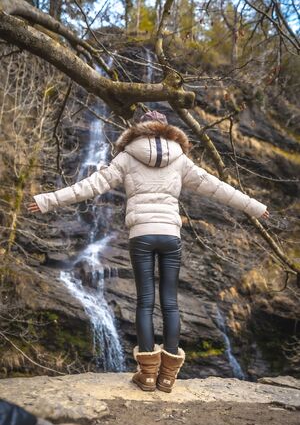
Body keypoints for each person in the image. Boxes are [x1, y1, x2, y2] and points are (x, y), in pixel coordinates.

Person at [28, 110, 269, 393]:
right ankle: (167, 377)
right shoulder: (180, 159)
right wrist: (256, 206)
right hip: (170, 236)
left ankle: (147, 375)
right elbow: (217, 188)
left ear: (140, 129)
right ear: (167, 131)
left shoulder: (128, 156)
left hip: (141, 235)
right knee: (170, 303)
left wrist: (47, 200)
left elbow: (90, 186)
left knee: (144, 302)